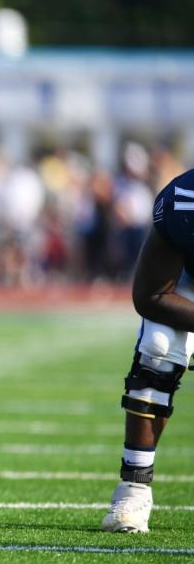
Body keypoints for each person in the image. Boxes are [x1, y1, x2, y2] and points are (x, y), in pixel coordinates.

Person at [102, 169, 194, 533]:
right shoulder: (184, 202)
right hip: (188, 281)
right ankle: (134, 488)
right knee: (158, 347)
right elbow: (150, 295)